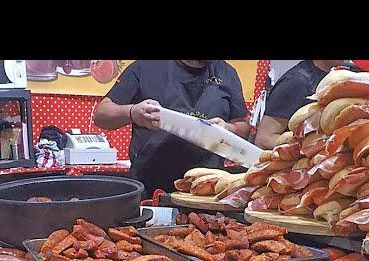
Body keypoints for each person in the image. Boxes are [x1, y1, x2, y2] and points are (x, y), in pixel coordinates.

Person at [93, 60, 250, 196]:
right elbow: (101, 115)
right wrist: (132, 112)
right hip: (150, 184)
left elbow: (243, 127)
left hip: (207, 188)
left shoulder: (227, 73)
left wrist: (228, 128)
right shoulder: (146, 67)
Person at [254, 60, 345, 149]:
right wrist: (308, 147)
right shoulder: (296, 81)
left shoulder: (332, 80)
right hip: (292, 162)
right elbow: (264, 139)